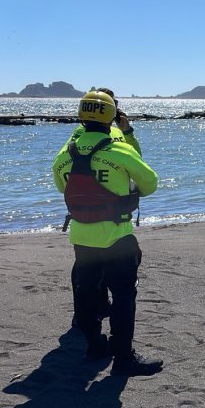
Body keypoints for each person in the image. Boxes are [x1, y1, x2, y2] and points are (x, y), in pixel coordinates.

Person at [52, 90, 162, 376]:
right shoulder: (118, 148)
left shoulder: (66, 153)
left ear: (81, 115)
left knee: (88, 295)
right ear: (111, 115)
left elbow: (61, 186)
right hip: (117, 237)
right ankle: (124, 359)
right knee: (124, 296)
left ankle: (95, 346)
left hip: (81, 237)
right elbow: (150, 183)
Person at [63, 88, 140, 328]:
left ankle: (92, 324)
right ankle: (88, 319)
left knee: (90, 275)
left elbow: (63, 173)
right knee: (102, 279)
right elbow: (140, 169)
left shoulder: (92, 134)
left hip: (87, 218)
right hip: (106, 218)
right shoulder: (81, 134)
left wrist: (127, 132)